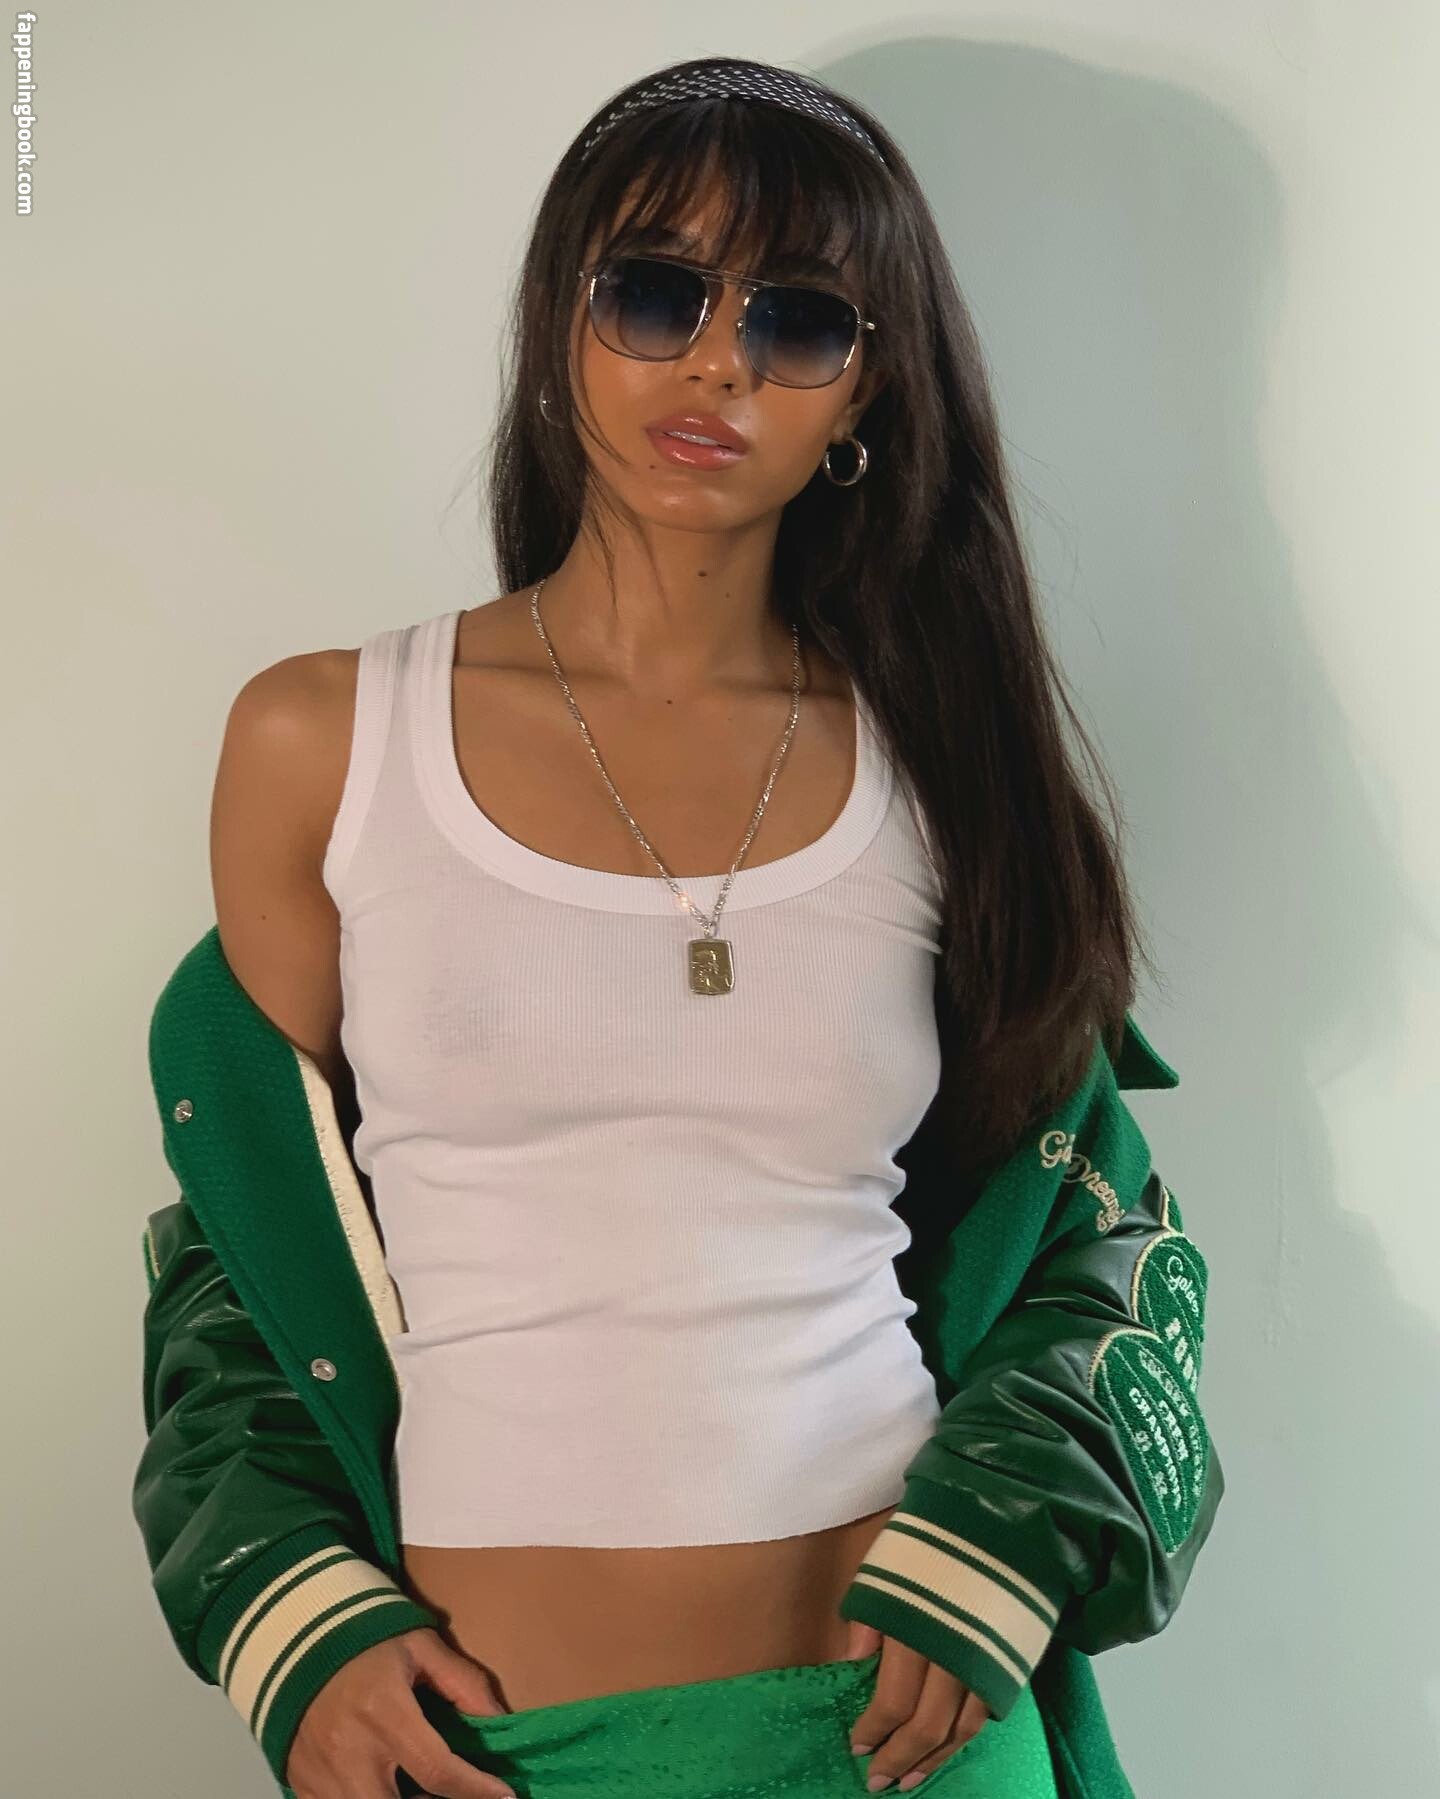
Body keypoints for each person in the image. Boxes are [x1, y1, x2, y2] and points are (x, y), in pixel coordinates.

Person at [133, 54, 1224, 1799]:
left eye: (798, 322)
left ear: (866, 390)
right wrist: (294, 1617)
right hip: (503, 1749)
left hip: (917, 1741)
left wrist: (1003, 1552)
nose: (718, 362)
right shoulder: (324, 740)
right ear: (559, 325)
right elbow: (244, 1256)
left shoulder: (947, 772)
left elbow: (1098, 1237)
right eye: (657, 293)